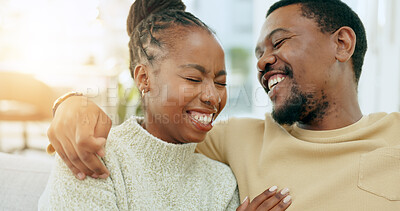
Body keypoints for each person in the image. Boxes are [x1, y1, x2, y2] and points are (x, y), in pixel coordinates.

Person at [46, 0, 400, 210]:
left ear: (342, 44)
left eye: (279, 43)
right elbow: (157, 135)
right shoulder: (238, 140)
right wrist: (70, 104)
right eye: (259, 53)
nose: (263, 62)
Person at [40, 0, 292, 210]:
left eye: (220, 82)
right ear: (144, 78)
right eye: (193, 78)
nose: (212, 97)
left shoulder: (222, 182)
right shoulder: (91, 157)